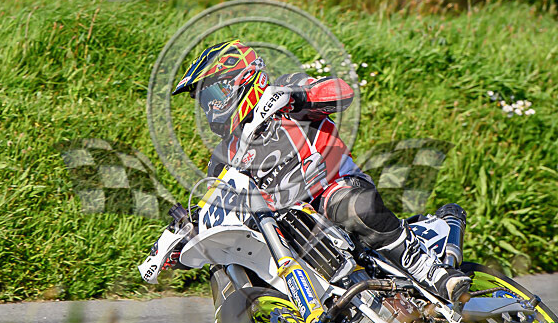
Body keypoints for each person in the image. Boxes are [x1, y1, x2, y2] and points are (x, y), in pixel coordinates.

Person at [170, 40, 470, 303]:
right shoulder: (224, 155)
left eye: (214, 94)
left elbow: (341, 91)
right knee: (225, 260)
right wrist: (189, 233)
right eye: (204, 101)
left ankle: (432, 272)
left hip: (331, 189)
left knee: (347, 204)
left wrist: (298, 97)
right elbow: (217, 202)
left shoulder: (285, 91)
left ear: (242, 79)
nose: (211, 108)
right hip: (283, 227)